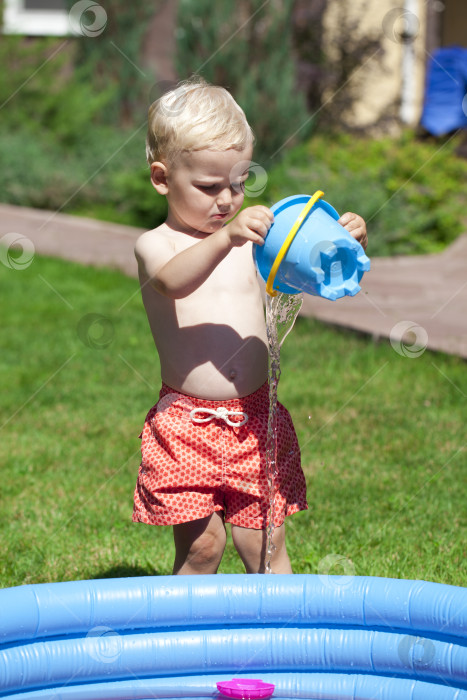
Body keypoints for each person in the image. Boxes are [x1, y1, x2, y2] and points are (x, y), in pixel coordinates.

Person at [132, 76, 368, 575]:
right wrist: (227, 240)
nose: (226, 200)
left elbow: (306, 268)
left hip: (255, 419)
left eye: (238, 184)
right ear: (161, 178)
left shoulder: (250, 243)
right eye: (209, 187)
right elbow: (174, 282)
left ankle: (282, 645)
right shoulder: (157, 245)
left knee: (266, 542)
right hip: (188, 426)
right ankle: (187, 646)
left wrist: (340, 240)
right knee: (203, 548)